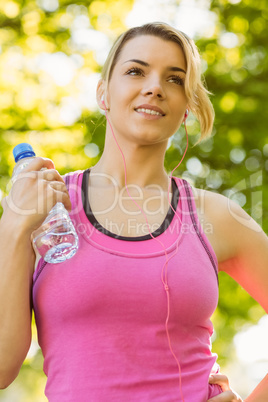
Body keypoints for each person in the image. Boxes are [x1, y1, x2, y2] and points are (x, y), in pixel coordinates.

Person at [0, 22, 267, 401]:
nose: (155, 87)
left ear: (187, 107)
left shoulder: (217, 216)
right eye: (135, 71)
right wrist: (12, 227)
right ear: (103, 93)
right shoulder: (43, 207)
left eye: (174, 79)